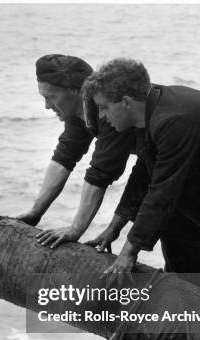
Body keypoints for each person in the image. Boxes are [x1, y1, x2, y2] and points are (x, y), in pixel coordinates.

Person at [82, 58, 200, 331]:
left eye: (103, 107)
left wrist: (129, 252)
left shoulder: (174, 119)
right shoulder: (150, 110)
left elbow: (162, 190)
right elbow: (145, 173)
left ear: (125, 102)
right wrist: (114, 228)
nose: (101, 116)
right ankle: (197, 317)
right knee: (186, 228)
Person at [16, 54, 136, 247]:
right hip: (158, 161)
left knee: (179, 237)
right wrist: (35, 212)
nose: (47, 106)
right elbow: (64, 157)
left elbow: (100, 174)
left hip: (189, 152)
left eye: (50, 97)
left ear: (75, 91)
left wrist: (75, 229)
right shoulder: (80, 110)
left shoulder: (110, 108)